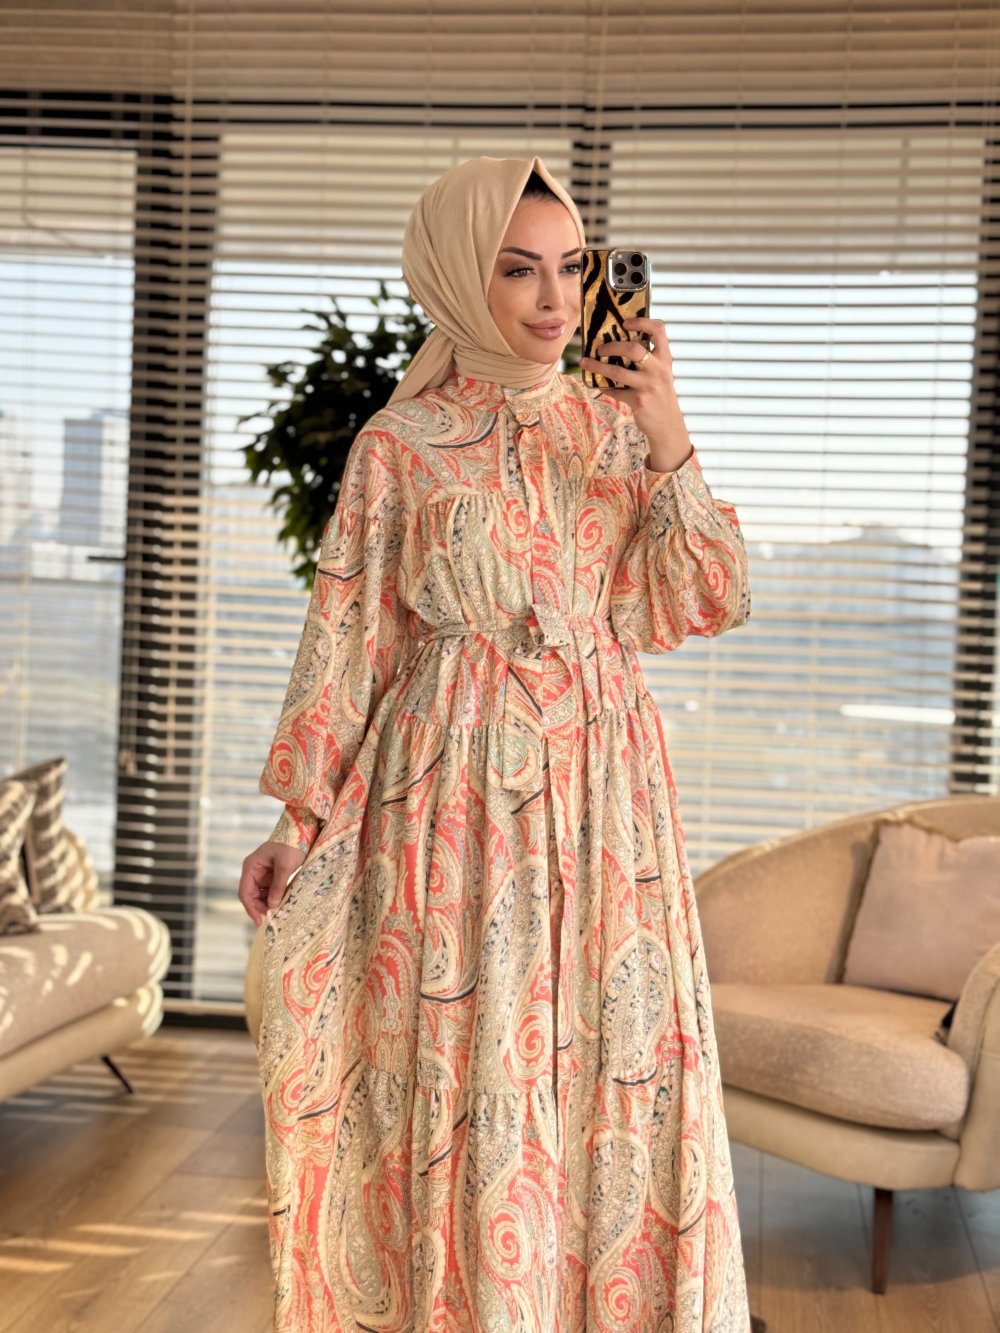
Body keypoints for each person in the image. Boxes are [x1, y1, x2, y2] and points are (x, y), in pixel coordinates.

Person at [239, 155, 754, 1333]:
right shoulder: (399, 444)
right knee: (473, 1067)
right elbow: (350, 640)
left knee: (614, 1060)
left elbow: (704, 597)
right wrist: (296, 822)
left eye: (571, 267)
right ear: (457, 277)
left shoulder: (615, 428)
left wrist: (665, 429)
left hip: (606, 793)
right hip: (450, 801)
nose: (554, 298)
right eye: (518, 270)